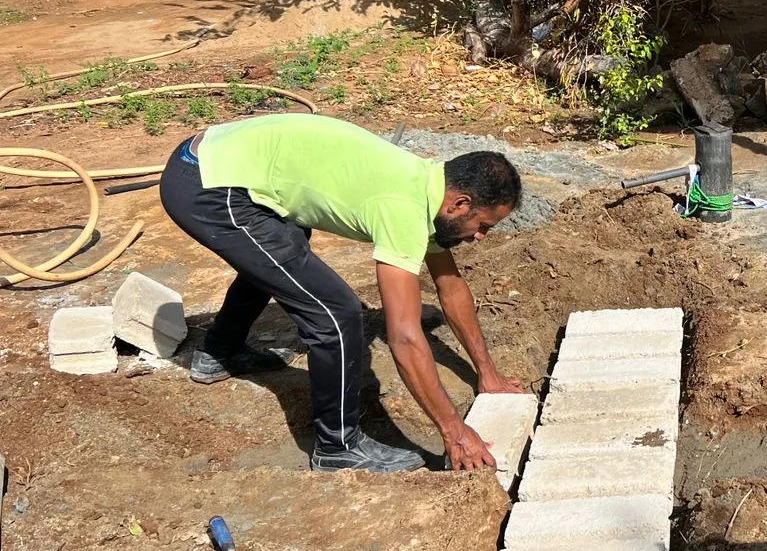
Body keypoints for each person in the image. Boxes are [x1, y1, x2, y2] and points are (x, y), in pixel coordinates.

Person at [159, 113, 524, 473]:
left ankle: (221, 351)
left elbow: (450, 285)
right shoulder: (404, 208)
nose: (480, 237)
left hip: (218, 163)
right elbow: (404, 337)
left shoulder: (431, 187)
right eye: (483, 226)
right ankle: (337, 446)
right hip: (206, 184)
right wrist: (455, 432)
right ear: (460, 204)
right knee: (335, 313)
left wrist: (487, 373)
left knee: (281, 247)